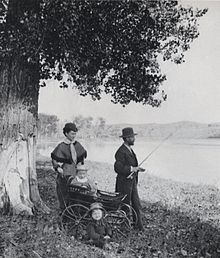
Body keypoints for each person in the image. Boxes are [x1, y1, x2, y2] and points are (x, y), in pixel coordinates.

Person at [114, 127, 145, 231]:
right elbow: (118, 168)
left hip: (132, 181)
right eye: (132, 137)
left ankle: (138, 226)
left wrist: (136, 169)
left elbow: (131, 165)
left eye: (133, 137)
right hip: (124, 183)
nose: (134, 139)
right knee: (125, 205)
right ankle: (125, 227)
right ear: (126, 138)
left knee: (136, 203)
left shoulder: (130, 150)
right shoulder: (120, 151)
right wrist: (132, 168)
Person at [51, 122, 87, 211]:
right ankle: (64, 210)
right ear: (66, 133)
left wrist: (81, 167)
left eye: (75, 134)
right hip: (65, 171)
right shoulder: (61, 146)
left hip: (76, 171)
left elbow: (81, 158)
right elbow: (54, 159)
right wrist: (57, 167)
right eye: (72, 134)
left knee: (77, 190)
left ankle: (75, 210)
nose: (74, 136)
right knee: (64, 191)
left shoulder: (77, 144)